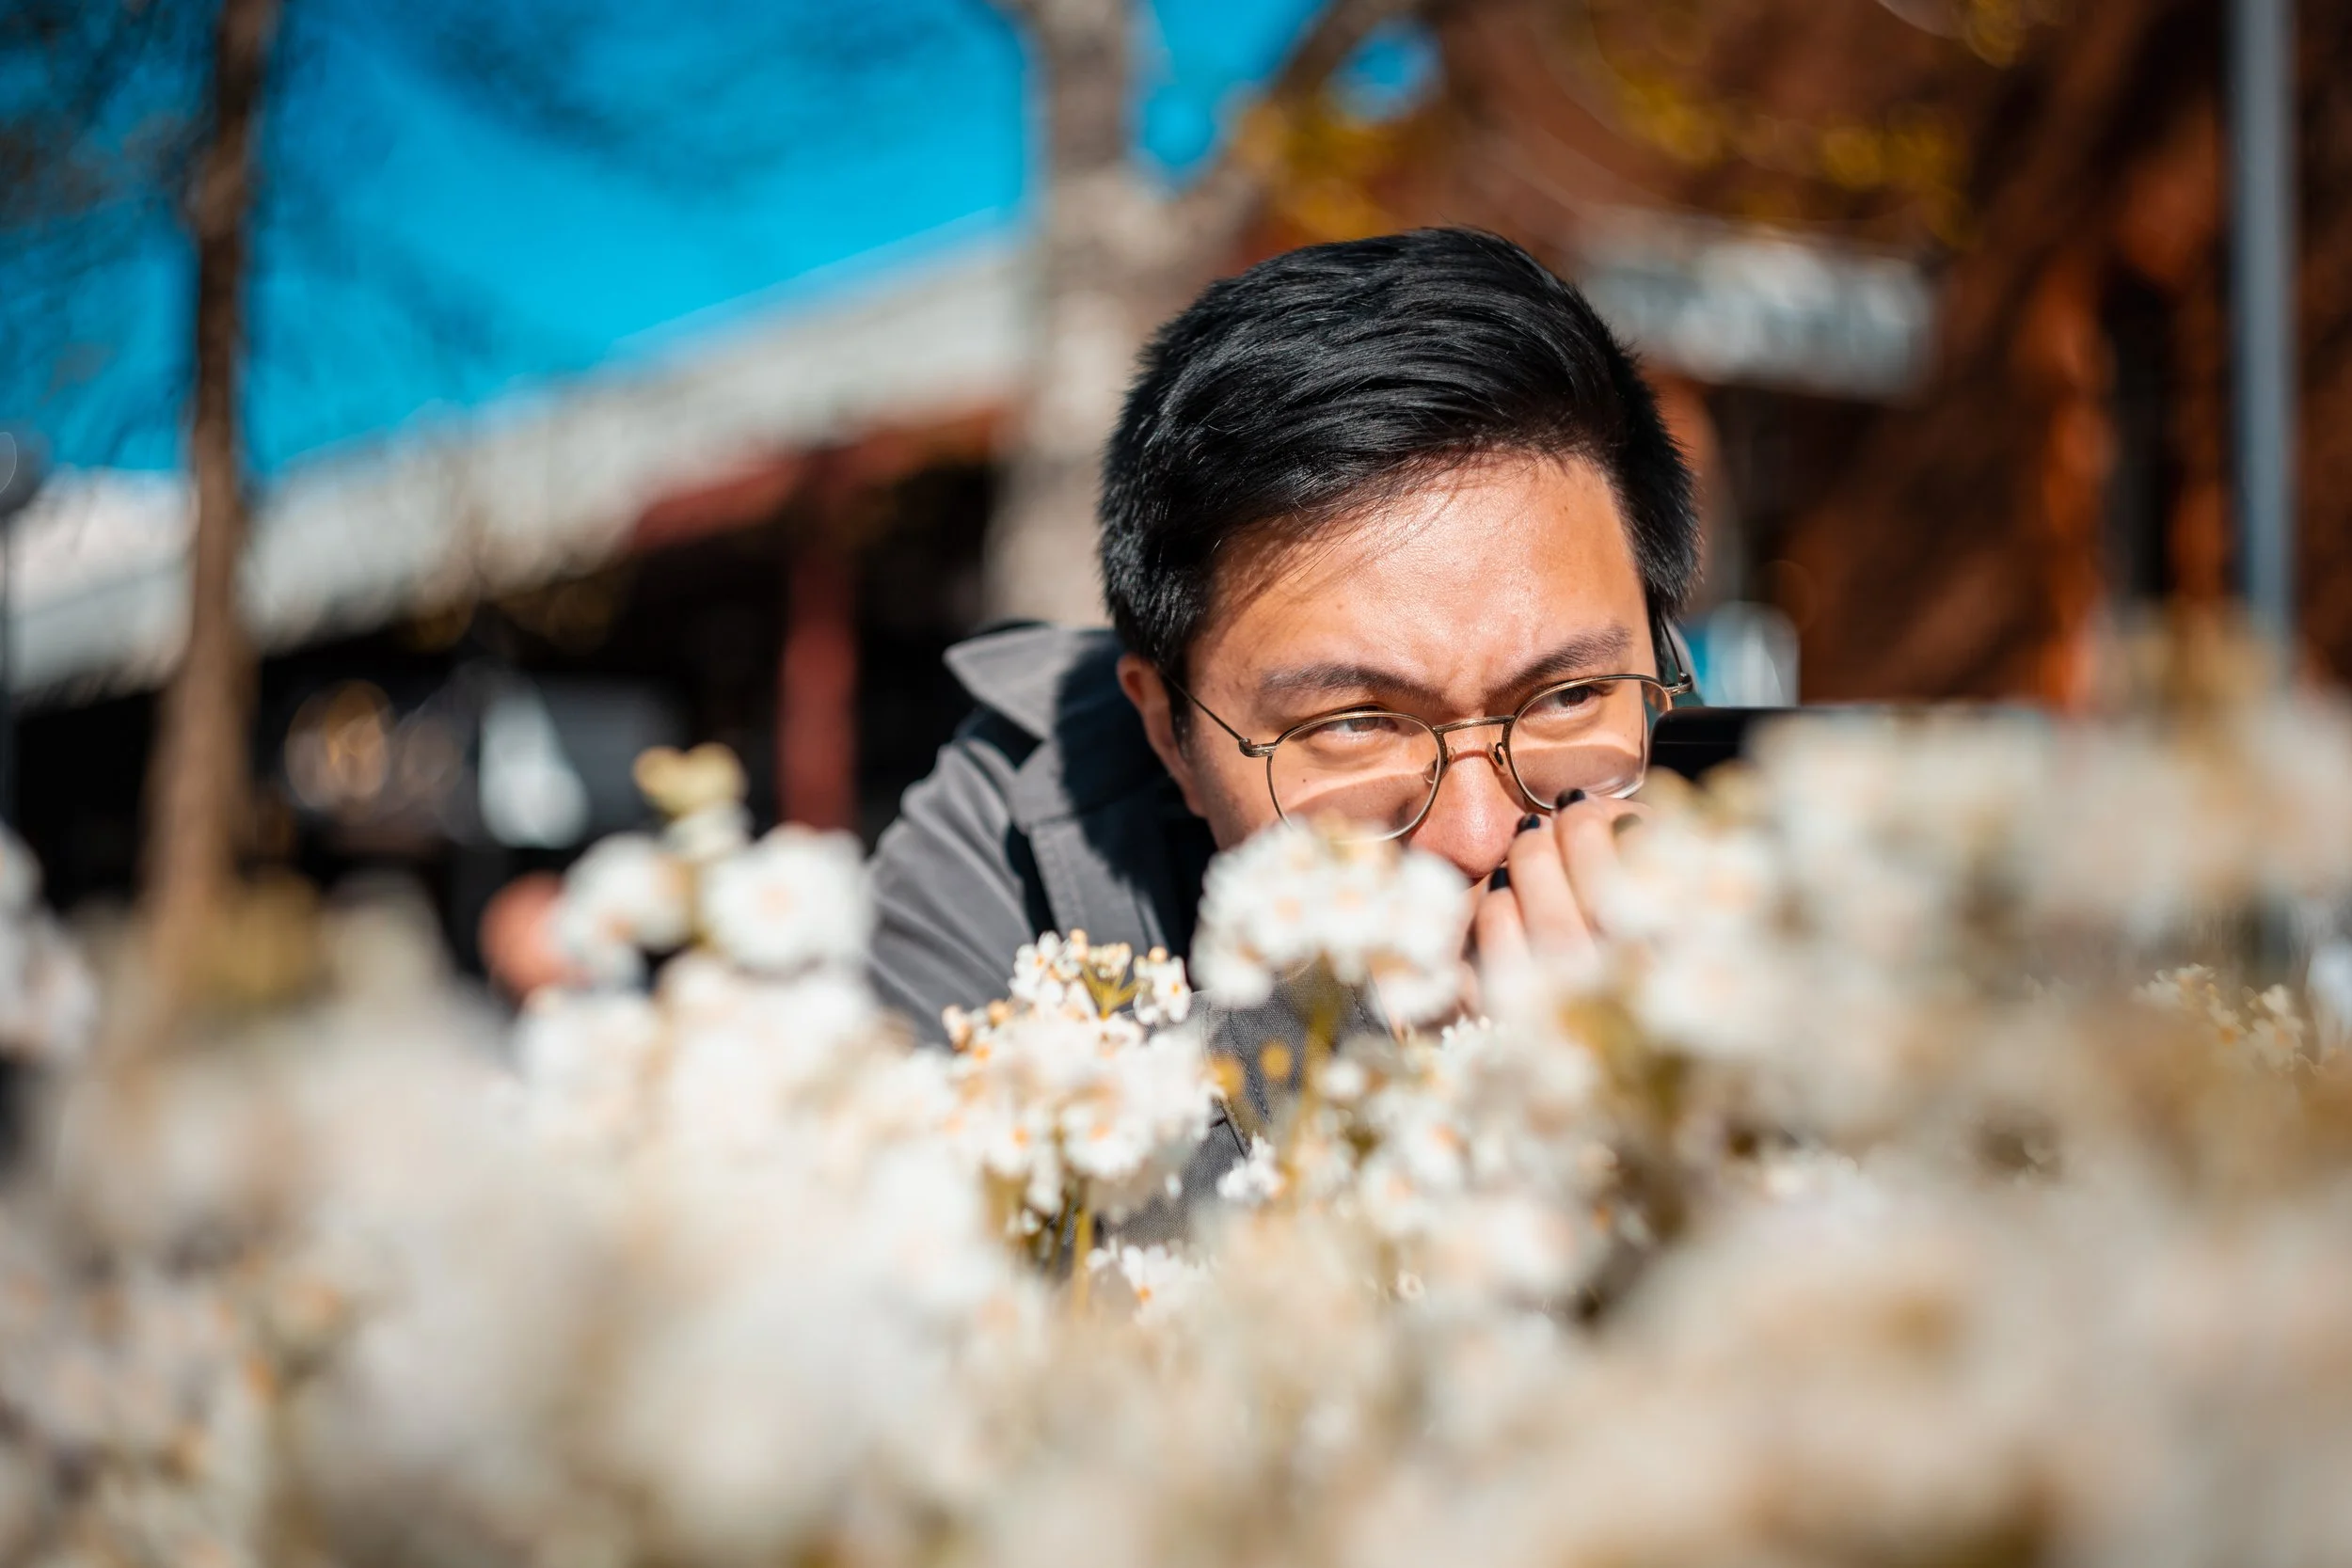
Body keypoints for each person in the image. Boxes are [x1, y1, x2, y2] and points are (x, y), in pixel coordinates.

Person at [869, 228, 1698, 1043]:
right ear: (1169, 732)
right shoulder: (1000, 856)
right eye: (1355, 722)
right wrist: (1350, 1065)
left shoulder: (1762, 864)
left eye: (1570, 695)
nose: (1476, 839)